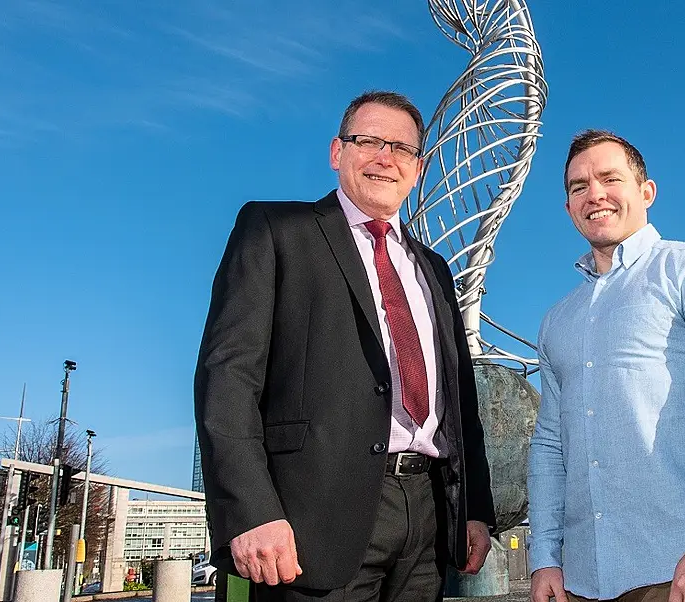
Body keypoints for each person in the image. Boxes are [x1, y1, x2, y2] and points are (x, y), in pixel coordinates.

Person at [195, 90, 496, 602]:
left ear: (418, 169)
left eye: (401, 148)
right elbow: (227, 378)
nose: (385, 157)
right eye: (368, 141)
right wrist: (250, 510)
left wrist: (475, 509)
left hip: (428, 518)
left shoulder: (435, 271)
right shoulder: (275, 231)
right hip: (312, 518)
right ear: (338, 153)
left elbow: (461, 400)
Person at [528, 130, 685, 602]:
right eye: (578, 187)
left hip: (684, 565)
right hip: (581, 579)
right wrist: (544, 557)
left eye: (609, 178)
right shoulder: (557, 319)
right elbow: (549, 445)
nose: (594, 194)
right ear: (567, 208)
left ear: (646, 192)